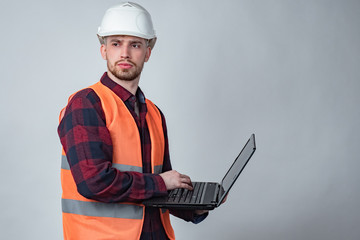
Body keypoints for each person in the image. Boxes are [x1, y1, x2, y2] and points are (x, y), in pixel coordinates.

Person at [58, 2, 208, 239]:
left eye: (135, 44)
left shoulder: (154, 113)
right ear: (104, 50)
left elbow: (161, 186)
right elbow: (94, 182)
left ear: (147, 53)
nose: (125, 53)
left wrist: (197, 207)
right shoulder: (86, 104)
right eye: (116, 43)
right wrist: (160, 182)